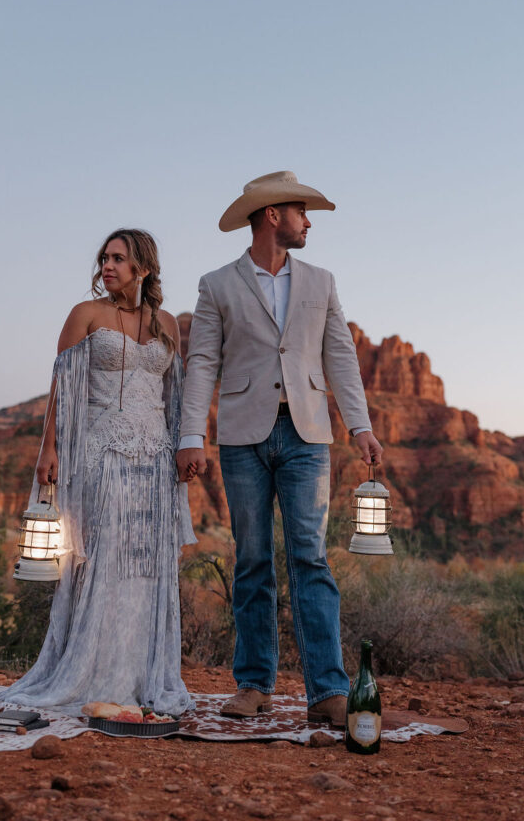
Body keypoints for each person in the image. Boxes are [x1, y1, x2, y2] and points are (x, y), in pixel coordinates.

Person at [176, 171, 382, 726]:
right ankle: (254, 683)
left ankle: (327, 692)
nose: (309, 222)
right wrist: (190, 434)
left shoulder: (322, 281)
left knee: (309, 558)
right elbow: (202, 363)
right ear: (273, 216)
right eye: (301, 212)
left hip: (309, 436)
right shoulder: (217, 284)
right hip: (243, 437)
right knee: (253, 561)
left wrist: (360, 427)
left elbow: (341, 357)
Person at [0, 229, 195, 718]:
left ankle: (140, 678)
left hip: (155, 462)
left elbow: (175, 398)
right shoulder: (86, 315)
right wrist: (48, 447)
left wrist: (184, 449)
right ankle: (95, 674)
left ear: (143, 267)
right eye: (104, 258)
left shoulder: (166, 323)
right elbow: (62, 385)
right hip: (103, 456)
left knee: (147, 567)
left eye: (119, 259)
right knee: (103, 563)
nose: (108, 266)